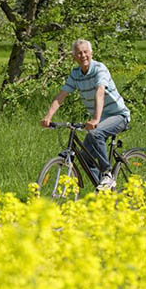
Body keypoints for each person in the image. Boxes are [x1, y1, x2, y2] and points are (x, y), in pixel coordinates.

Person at [40, 39, 130, 190]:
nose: (83, 55)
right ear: (74, 57)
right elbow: (62, 95)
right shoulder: (75, 73)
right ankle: (105, 193)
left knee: (95, 134)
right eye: (79, 53)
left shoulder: (99, 69)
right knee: (85, 158)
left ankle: (107, 174)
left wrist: (95, 119)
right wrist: (48, 117)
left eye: (85, 52)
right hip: (100, 120)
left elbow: (100, 92)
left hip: (118, 116)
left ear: (91, 53)